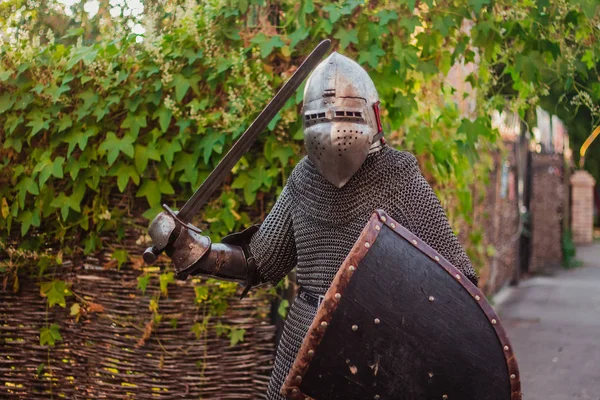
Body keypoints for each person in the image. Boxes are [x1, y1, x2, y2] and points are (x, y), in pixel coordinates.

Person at [159, 52, 477, 399]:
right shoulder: (304, 179)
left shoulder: (398, 178)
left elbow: (457, 286)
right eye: (319, 117)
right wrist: (194, 250)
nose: (332, 129)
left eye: (344, 114)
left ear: (374, 116)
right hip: (304, 346)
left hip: (376, 357)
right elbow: (258, 260)